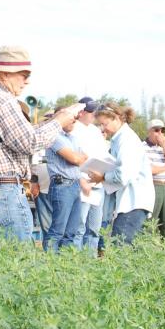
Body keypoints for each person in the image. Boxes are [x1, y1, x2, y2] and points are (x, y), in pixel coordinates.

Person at [0, 46, 77, 242]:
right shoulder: (4, 100)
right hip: (1, 192)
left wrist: (51, 122)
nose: (27, 80)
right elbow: (29, 142)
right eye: (24, 75)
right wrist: (59, 122)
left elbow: (14, 136)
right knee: (15, 260)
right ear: (5, 74)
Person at [87, 103, 154, 245]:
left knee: (120, 246)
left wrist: (103, 176)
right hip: (129, 200)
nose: (103, 128)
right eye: (100, 125)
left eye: (105, 124)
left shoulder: (127, 140)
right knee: (127, 246)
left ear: (117, 118)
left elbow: (124, 175)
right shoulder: (119, 138)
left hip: (133, 201)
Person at [43, 105, 88, 252]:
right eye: (71, 117)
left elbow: (85, 158)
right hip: (62, 186)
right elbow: (75, 158)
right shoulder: (54, 137)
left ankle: (64, 267)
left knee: (70, 233)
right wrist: (77, 157)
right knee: (57, 231)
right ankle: (49, 265)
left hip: (74, 186)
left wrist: (78, 158)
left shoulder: (72, 139)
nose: (74, 120)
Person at [71, 98, 109, 251]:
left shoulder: (95, 131)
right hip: (83, 183)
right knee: (79, 228)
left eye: (94, 111)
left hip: (97, 185)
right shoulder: (72, 129)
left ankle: (91, 261)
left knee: (94, 228)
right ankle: (76, 262)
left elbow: (103, 154)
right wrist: (81, 180)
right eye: (90, 111)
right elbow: (72, 159)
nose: (93, 114)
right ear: (80, 112)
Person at [144, 119, 165, 239]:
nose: (160, 133)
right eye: (156, 130)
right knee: (150, 223)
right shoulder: (142, 147)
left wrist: (164, 145)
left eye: (162, 130)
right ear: (149, 131)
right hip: (153, 186)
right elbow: (149, 169)